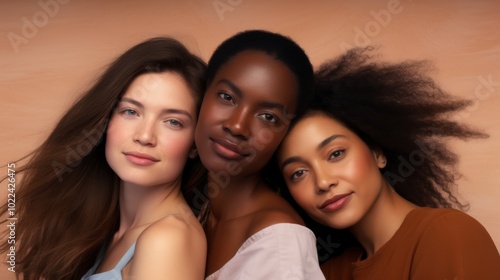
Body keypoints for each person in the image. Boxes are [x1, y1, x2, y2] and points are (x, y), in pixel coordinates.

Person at [277, 47, 500, 279]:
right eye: (299, 173)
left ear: (377, 152)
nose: (323, 182)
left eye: (336, 154)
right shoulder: (329, 271)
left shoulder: (447, 234)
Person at [0, 37, 207, 280]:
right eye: (130, 111)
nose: (145, 136)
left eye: (173, 122)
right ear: (105, 121)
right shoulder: (110, 234)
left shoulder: (168, 239)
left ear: (195, 143)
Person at [193, 30, 325, 279]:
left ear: (286, 134)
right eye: (227, 97)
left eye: (268, 117)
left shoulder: (279, 242)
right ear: (203, 94)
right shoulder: (200, 207)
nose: (237, 126)